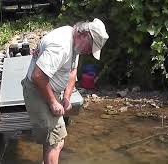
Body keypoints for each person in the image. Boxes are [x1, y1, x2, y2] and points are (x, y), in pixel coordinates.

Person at [22, 18, 109, 164]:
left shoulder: (75, 41)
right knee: (54, 143)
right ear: (85, 35)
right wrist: (52, 102)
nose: (89, 52)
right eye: (90, 48)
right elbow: (37, 76)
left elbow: (72, 70)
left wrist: (67, 97)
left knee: (56, 140)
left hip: (50, 90)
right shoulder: (61, 45)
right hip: (38, 91)